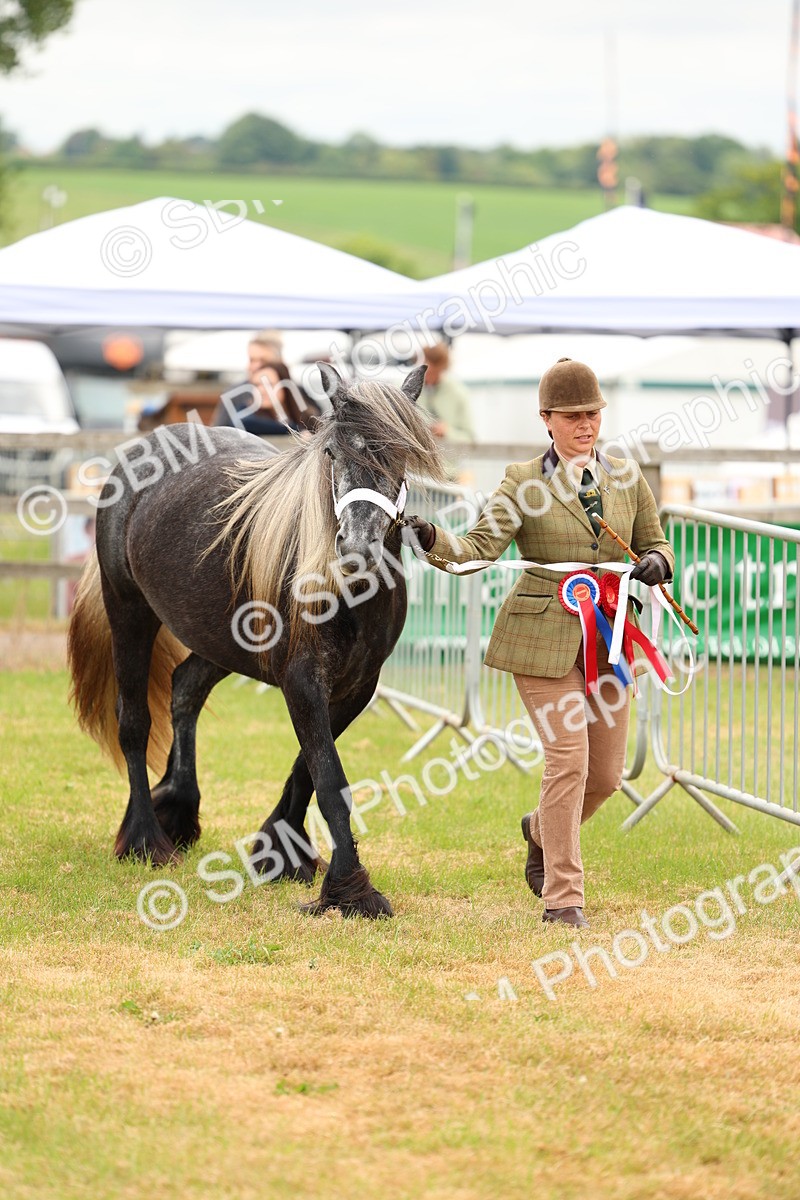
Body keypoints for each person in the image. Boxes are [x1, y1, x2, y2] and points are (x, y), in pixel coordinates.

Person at [403, 357, 674, 928]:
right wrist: (431, 536)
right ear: (547, 419)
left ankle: (537, 829)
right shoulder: (523, 481)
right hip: (541, 634)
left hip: (610, 637)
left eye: (594, 414)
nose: (587, 425)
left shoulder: (627, 477)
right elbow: (479, 545)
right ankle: (564, 898)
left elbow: (659, 543)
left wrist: (656, 562)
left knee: (605, 777)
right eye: (574, 416)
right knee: (568, 759)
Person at [211, 332, 320, 434]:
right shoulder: (234, 395)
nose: (256, 367)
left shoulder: (298, 392)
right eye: (252, 360)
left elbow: (318, 425)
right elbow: (219, 433)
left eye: (263, 361)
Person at [418, 342, 475, 443]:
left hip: (446, 458)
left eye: (434, 373)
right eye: (423, 371)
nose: (427, 377)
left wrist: (447, 432)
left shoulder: (458, 393)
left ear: (443, 369)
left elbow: (470, 439)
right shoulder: (402, 389)